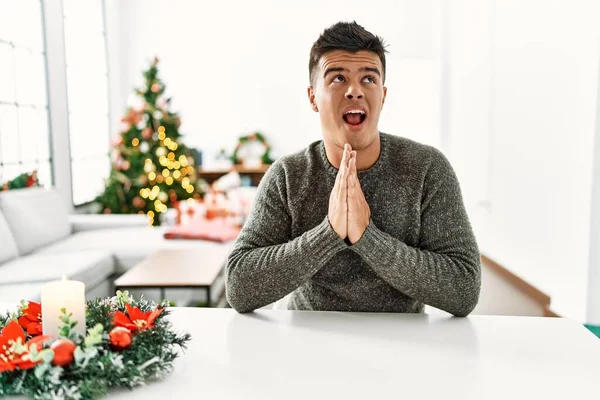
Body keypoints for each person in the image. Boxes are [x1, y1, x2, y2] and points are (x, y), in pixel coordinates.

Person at [225, 21, 481, 316]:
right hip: (307, 340)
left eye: (369, 79)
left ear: (383, 96)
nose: (354, 91)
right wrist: (329, 233)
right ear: (312, 97)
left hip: (405, 346)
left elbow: (464, 290)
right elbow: (238, 288)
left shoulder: (427, 169)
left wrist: (367, 237)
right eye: (337, 79)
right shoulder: (287, 176)